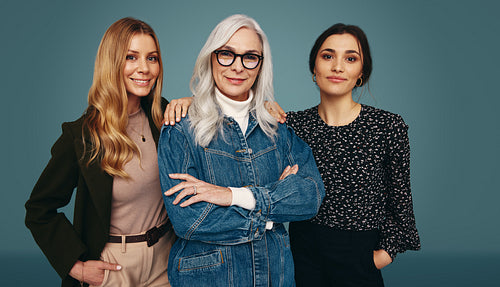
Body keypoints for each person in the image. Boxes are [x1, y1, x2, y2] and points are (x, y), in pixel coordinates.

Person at [165, 23, 420, 287]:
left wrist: (379, 257)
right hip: (300, 260)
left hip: (358, 259)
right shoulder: (290, 124)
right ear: (314, 67)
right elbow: (235, 107)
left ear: (361, 72)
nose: (338, 67)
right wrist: (192, 102)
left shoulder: (386, 126)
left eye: (351, 58)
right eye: (328, 56)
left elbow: (400, 205)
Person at [157, 14, 325, 287]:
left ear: (261, 65)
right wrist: (271, 213)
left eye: (250, 57)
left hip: (276, 276)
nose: (237, 67)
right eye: (227, 54)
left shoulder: (277, 128)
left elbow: (310, 195)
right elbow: (189, 219)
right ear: (211, 58)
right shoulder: (180, 129)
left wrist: (230, 196)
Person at [25, 17, 175, 287]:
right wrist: (76, 267)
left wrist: (271, 111)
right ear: (112, 62)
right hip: (114, 266)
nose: (144, 68)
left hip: (166, 260)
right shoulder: (82, 135)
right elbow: (39, 209)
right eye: (131, 57)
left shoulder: (163, 115)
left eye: (152, 58)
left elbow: (216, 119)